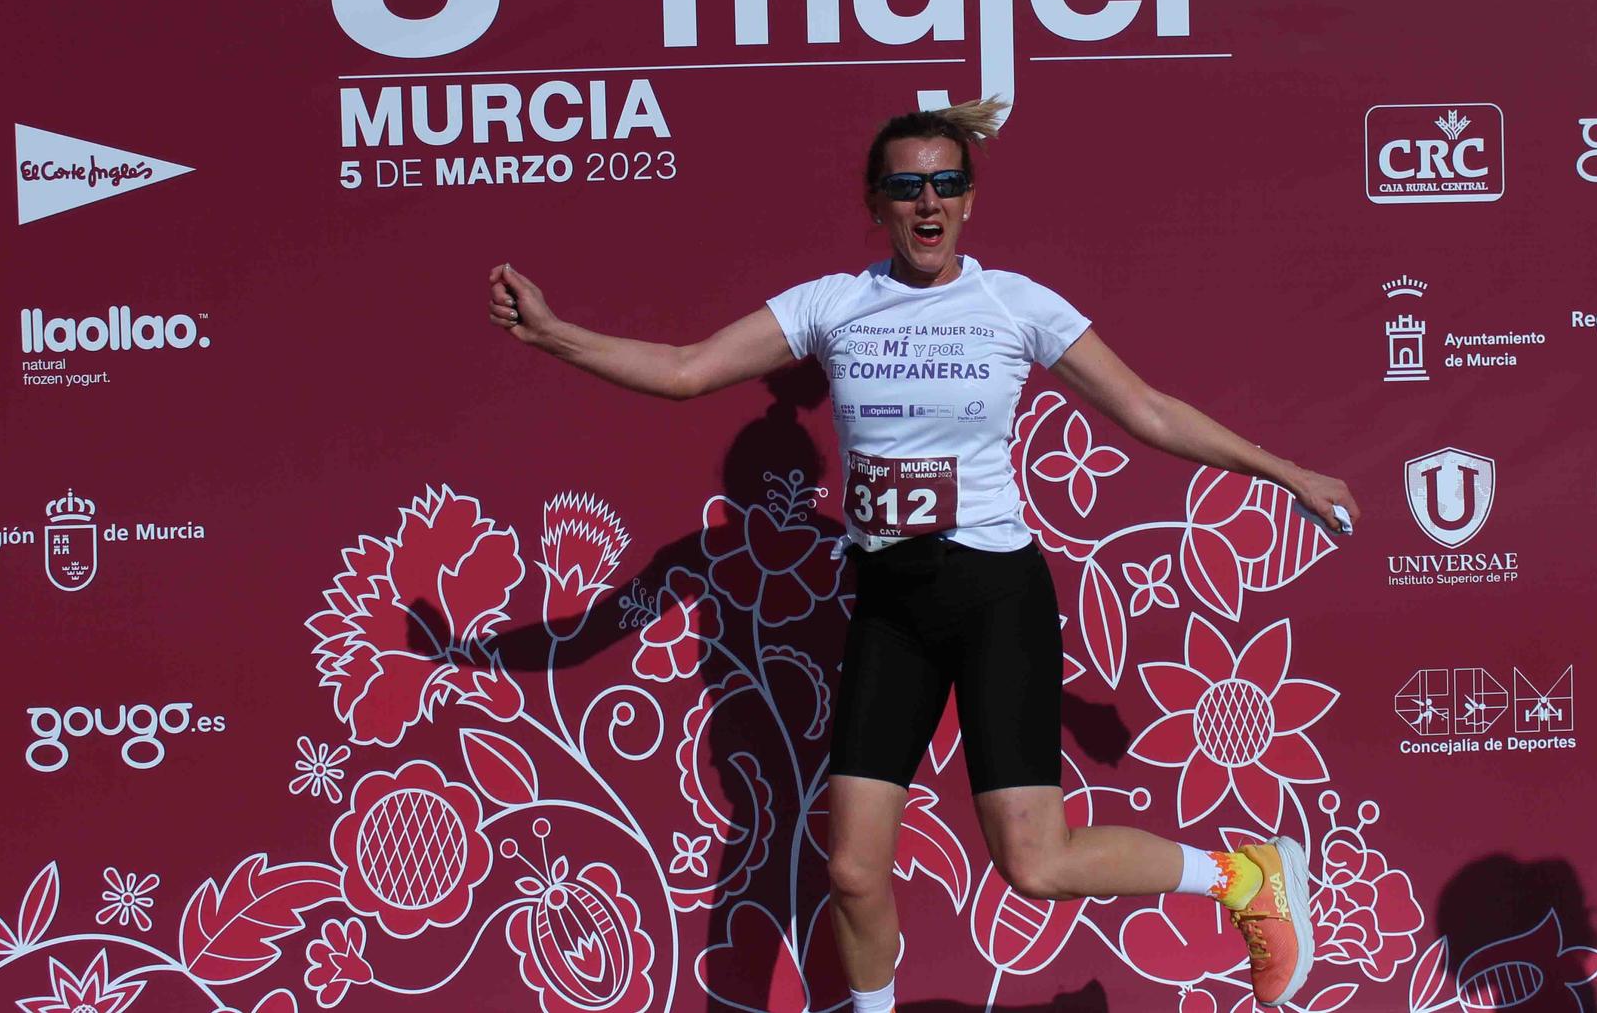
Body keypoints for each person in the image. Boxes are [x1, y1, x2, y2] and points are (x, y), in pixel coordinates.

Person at [486, 99, 1360, 1011]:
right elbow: (684, 369)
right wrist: (554, 334)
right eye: (906, 187)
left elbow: (1148, 411)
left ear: (971, 200)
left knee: (1036, 864)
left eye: (947, 182)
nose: (928, 201)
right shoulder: (833, 304)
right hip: (891, 607)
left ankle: (1245, 878)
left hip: (994, 597)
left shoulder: (1015, 303)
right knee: (854, 871)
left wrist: (1285, 470)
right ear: (877, 203)